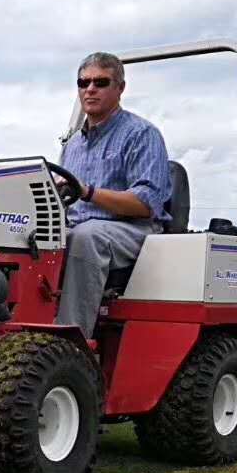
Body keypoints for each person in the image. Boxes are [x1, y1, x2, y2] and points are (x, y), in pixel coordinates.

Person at [54, 51, 171, 338]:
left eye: (101, 82)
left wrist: (88, 192)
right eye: (84, 83)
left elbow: (146, 203)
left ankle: (70, 341)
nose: (90, 89)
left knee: (86, 237)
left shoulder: (142, 134)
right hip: (77, 224)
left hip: (133, 229)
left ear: (120, 88)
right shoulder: (73, 145)